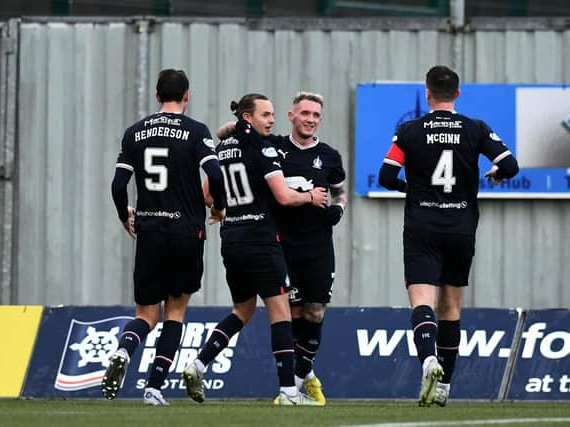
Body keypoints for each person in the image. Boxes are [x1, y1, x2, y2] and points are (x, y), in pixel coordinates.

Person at [378, 65, 519, 407]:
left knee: (422, 301)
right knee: (451, 307)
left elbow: (386, 175)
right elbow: (511, 165)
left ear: (427, 93)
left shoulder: (409, 130)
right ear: (457, 93)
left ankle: (428, 361)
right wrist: (497, 172)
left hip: (422, 226)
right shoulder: (475, 128)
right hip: (461, 227)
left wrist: (406, 187)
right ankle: (444, 387)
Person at [182, 93, 328, 405]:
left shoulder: (223, 149)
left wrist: (225, 209)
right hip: (261, 239)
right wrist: (311, 197)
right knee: (281, 315)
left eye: (273, 114)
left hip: (231, 238)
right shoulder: (261, 149)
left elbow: (208, 195)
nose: (271, 120)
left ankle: (198, 363)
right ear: (248, 118)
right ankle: (289, 392)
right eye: (265, 115)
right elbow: (285, 197)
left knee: (242, 310)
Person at [103, 69, 227, 406]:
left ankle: (124, 352)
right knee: (175, 312)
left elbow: (117, 186)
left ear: (157, 96)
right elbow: (215, 174)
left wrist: (124, 214)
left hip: (150, 230)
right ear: (187, 95)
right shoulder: (197, 131)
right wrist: (218, 207)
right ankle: (153, 389)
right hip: (187, 230)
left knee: (145, 314)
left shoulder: (134, 133)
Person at [216, 93, 347, 406]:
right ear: (291, 116)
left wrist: (338, 210)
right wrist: (234, 128)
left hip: (318, 245)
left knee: (315, 312)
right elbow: (225, 133)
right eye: (304, 113)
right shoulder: (271, 145)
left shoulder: (329, 155)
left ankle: (300, 378)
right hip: (282, 243)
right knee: (292, 313)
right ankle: (297, 384)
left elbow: (340, 193)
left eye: (316, 115)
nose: (310, 119)